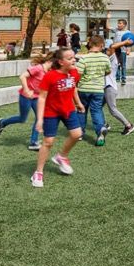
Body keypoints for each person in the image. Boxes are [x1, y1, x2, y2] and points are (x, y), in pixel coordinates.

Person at [32, 48, 85, 188]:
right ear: (61, 62)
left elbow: (73, 88)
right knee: (48, 142)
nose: (74, 60)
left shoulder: (74, 73)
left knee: (77, 134)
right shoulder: (50, 76)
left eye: (74, 57)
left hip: (68, 109)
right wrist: (40, 119)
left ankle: (61, 156)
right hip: (51, 112)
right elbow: (42, 97)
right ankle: (38, 172)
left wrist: (78, 103)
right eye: (70, 58)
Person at [0, 51, 53, 150]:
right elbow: (22, 77)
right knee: (22, 118)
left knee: (40, 118)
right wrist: (27, 90)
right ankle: (3, 123)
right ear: (50, 60)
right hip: (25, 97)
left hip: (37, 98)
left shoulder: (50, 72)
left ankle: (33, 142)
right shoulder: (38, 68)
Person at [76, 35, 111, 146]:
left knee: (82, 110)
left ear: (90, 44)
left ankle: (80, 133)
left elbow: (78, 74)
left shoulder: (84, 58)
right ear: (102, 45)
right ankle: (100, 129)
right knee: (96, 110)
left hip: (84, 88)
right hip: (98, 89)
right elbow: (108, 71)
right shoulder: (105, 58)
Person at [103, 40, 134, 136]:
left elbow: (113, 47)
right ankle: (104, 124)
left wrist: (125, 42)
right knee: (97, 107)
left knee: (113, 110)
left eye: (108, 50)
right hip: (107, 88)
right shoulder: (111, 58)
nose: (107, 52)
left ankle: (129, 126)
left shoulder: (113, 59)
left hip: (110, 88)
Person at [111, 15, 134, 85]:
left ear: (124, 25)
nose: (118, 25)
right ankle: (117, 78)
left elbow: (130, 42)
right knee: (116, 64)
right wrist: (108, 18)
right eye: (118, 23)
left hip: (123, 50)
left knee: (123, 65)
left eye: (120, 23)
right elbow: (107, 27)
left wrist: (129, 50)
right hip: (115, 50)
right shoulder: (116, 30)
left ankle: (123, 79)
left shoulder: (128, 33)